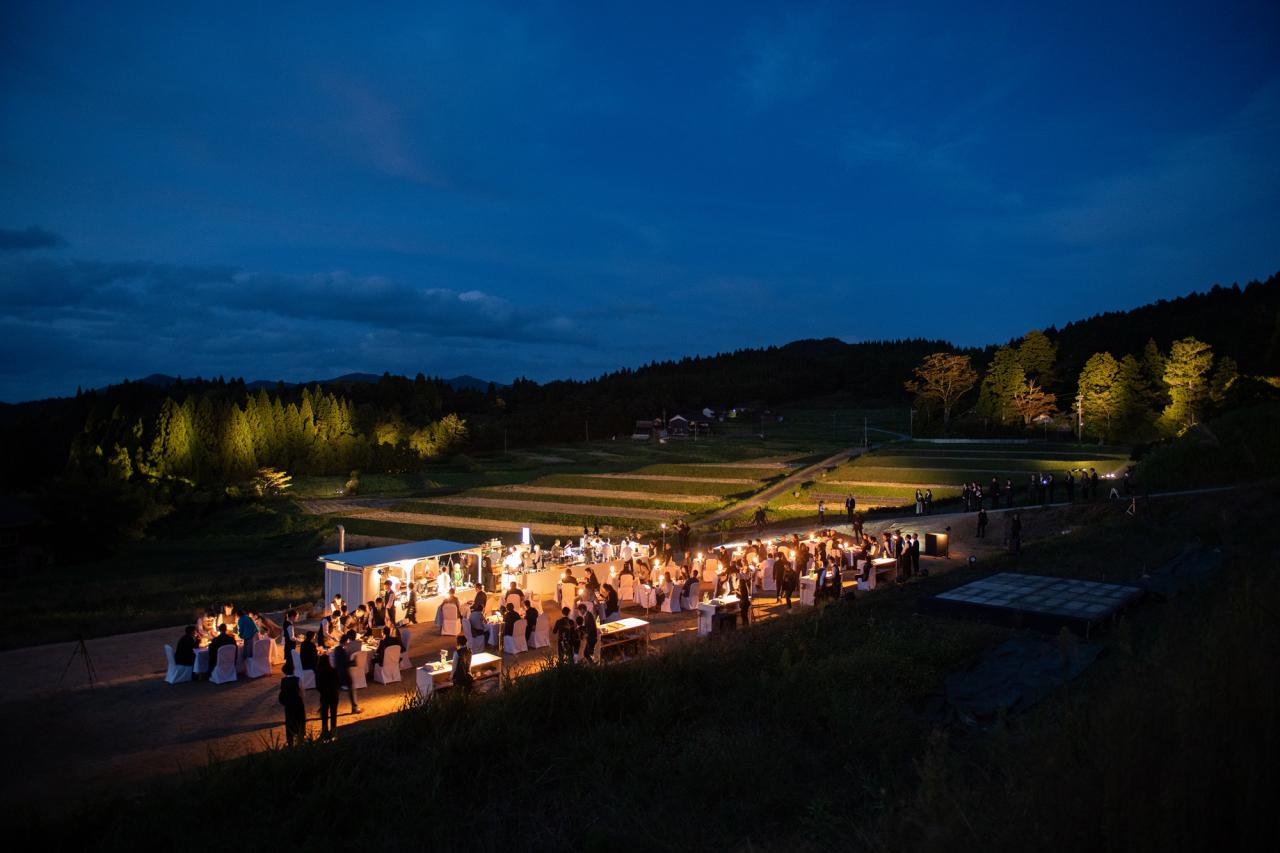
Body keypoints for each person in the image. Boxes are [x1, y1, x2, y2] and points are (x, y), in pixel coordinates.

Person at [333, 630, 362, 715]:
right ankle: (355, 707)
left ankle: (332, 708)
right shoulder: (343, 651)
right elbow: (345, 663)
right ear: (346, 641)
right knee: (351, 689)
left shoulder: (336, 649)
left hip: (337, 673)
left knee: (337, 692)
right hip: (344, 673)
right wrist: (354, 662)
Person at [278, 658, 306, 746]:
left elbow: (283, 692)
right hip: (298, 703)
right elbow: (302, 692)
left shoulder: (283, 681)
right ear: (293, 670)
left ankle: (290, 741)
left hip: (288, 705)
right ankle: (300, 739)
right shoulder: (298, 680)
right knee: (300, 721)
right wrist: (302, 700)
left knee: (289, 721)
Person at [314, 655, 339, 740]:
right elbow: (338, 683)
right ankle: (333, 730)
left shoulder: (318, 672)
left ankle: (324, 731)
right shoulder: (333, 671)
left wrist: (322, 692)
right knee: (333, 713)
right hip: (334, 694)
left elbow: (317, 686)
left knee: (324, 714)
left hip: (324, 695)